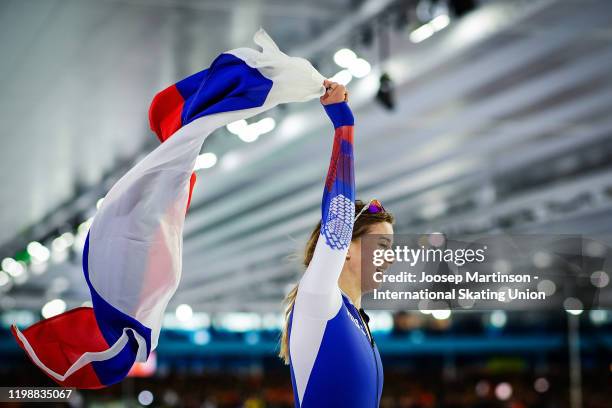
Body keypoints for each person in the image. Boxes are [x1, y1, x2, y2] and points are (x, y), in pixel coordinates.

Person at [279, 79, 395, 407]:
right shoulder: (320, 303)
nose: (390, 257)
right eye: (382, 246)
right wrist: (343, 124)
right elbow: (339, 220)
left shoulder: (358, 319)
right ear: (345, 250)